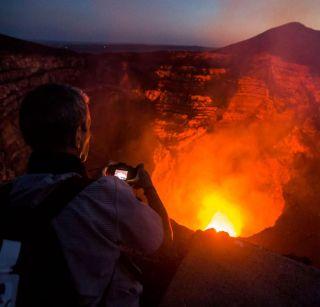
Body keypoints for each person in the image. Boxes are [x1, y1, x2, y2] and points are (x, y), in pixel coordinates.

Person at [4, 83, 173, 306]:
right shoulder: (104, 193)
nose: (89, 136)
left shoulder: (7, 193)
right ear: (78, 134)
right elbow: (163, 243)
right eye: (88, 127)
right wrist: (148, 186)